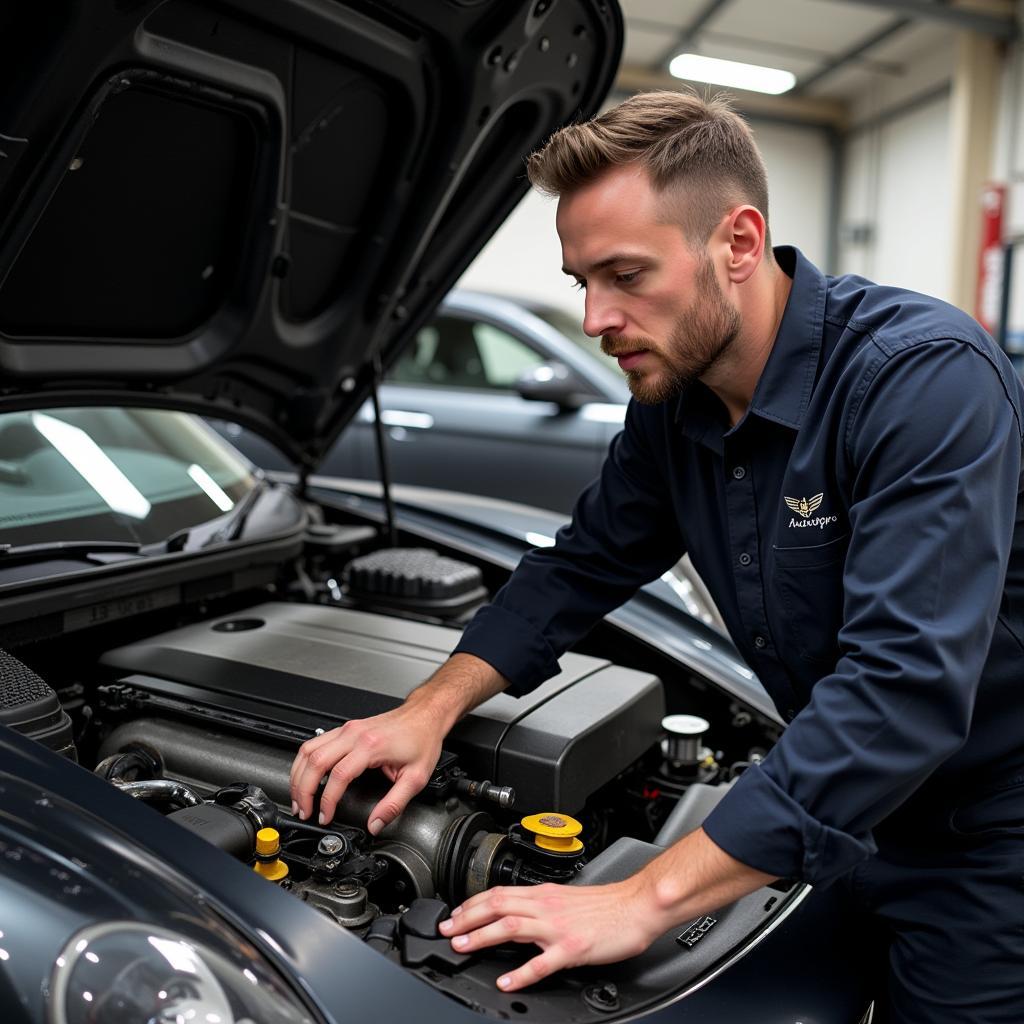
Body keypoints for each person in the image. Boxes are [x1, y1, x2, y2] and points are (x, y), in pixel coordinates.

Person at [290, 90, 1024, 1021]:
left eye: (626, 274)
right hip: (832, 802)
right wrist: (428, 711)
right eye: (581, 281)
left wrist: (642, 899)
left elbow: (904, 688)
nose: (597, 318)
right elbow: (578, 567)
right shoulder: (673, 407)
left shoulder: (920, 381)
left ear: (740, 243)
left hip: (986, 837)